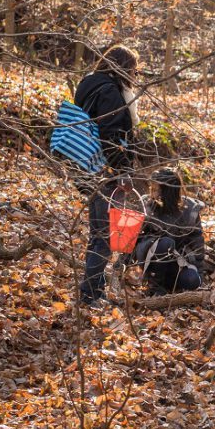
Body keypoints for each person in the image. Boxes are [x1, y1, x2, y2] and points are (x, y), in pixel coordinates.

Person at [73, 45, 140, 305]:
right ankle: (91, 295)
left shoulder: (89, 83)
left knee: (98, 230)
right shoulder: (111, 92)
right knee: (103, 233)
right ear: (123, 68)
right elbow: (110, 136)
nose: (135, 75)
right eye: (133, 69)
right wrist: (123, 171)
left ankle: (95, 288)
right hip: (103, 170)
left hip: (86, 166)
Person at [133, 168, 204, 296]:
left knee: (193, 280)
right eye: (151, 189)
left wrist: (199, 272)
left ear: (167, 192)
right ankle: (155, 287)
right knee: (166, 242)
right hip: (150, 261)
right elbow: (133, 238)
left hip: (175, 263)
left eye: (156, 190)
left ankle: (168, 284)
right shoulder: (146, 205)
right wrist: (123, 268)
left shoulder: (189, 211)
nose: (152, 194)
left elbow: (197, 244)